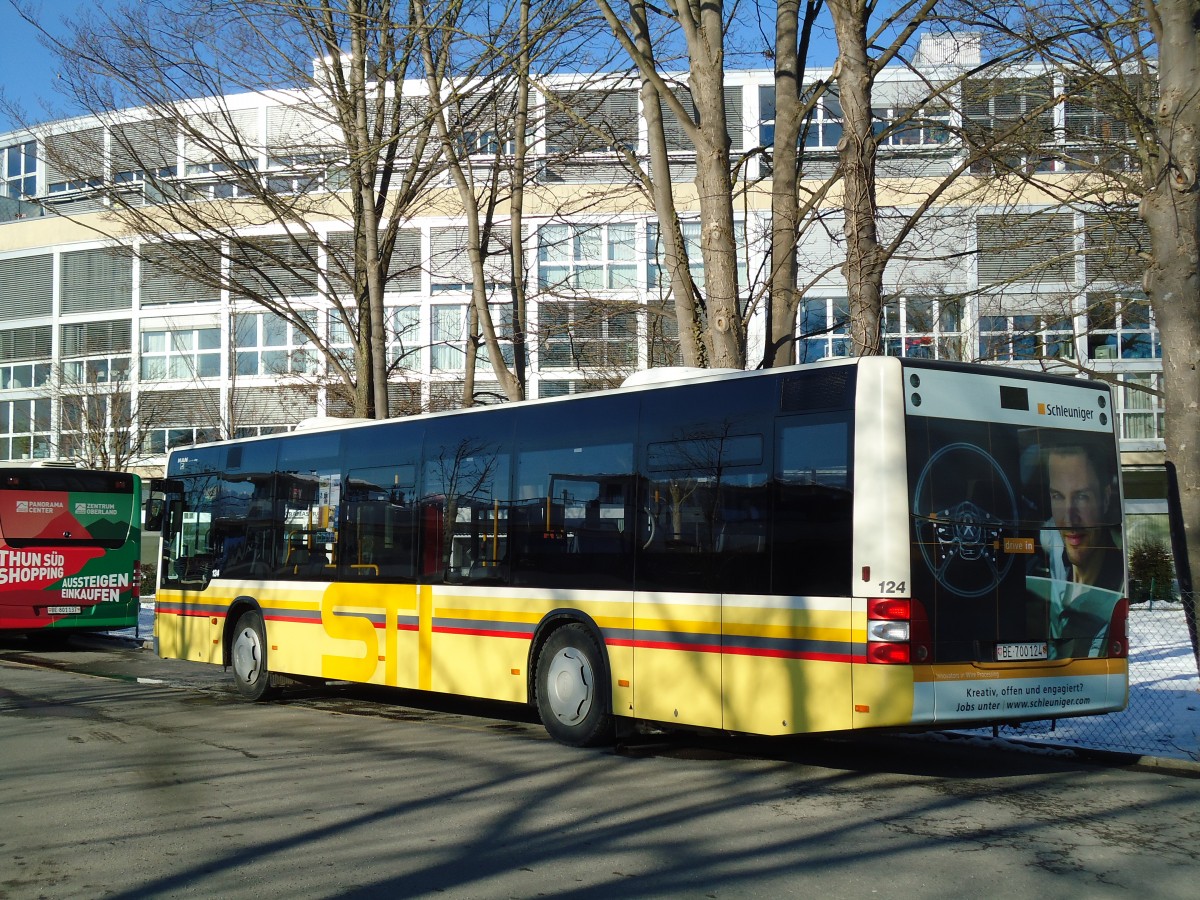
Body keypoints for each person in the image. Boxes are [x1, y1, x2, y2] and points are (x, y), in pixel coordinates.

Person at [1046, 444, 1124, 592]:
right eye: (1057, 496)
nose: (1069, 520)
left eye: (1082, 497)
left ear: (1106, 499)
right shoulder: (1055, 546)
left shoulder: (1117, 588)